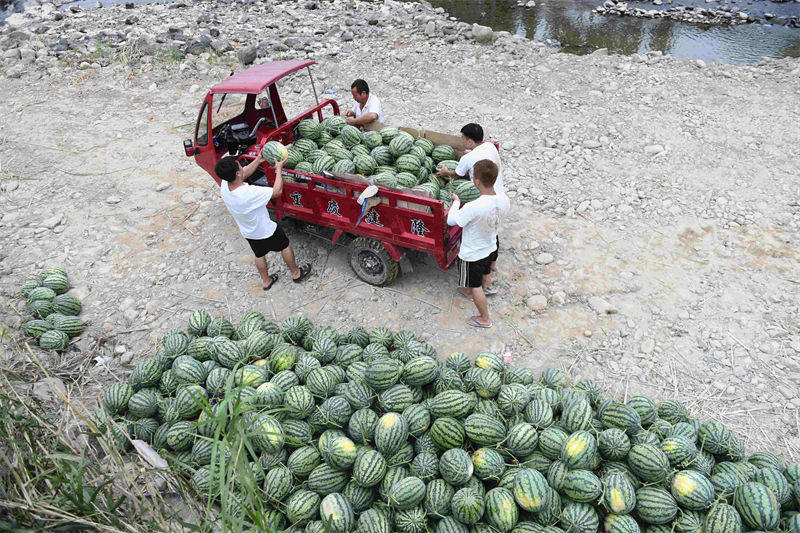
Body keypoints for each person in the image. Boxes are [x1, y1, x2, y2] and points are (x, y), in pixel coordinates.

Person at [215, 153, 312, 290]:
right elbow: (277, 191)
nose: (242, 167)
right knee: (284, 246)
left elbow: (243, 173)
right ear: (237, 173)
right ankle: (296, 273)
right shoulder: (248, 193)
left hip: (249, 232)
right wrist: (279, 169)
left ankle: (266, 281)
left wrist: (258, 160)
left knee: (259, 254)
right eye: (239, 166)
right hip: (266, 230)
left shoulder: (225, 185)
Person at [438, 123, 505, 293]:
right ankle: (491, 266)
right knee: (492, 231)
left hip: (484, 200)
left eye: (463, 139)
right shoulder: (490, 146)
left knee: (480, 237)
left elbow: (457, 175)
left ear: (469, 141)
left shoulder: (468, 158)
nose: (462, 141)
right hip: (499, 197)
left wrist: (446, 173)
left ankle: (475, 288)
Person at [446, 159, 510, 329]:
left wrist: (456, 202)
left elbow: (452, 220)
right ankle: (478, 287)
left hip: (472, 254)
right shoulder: (504, 200)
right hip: (490, 246)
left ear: (476, 181)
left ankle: (484, 318)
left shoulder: (473, 206)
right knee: (481, 274)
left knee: (475, 286)